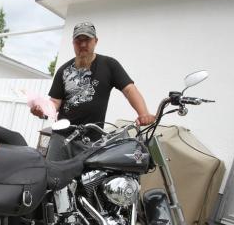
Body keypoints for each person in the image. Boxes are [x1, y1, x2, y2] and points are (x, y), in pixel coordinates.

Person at [31, 21, 155, 161]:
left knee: (89, 181)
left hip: (92, 141)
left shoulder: (109, 65)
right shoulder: (63, 71)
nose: (83, 44)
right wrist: (42, 111)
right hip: (61, 139)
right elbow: (54, 102)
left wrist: (143, 113)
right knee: (52, 178)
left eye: (87, 40)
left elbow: (129, 90)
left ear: (95, 41)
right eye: (78, 41)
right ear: (73, 43)